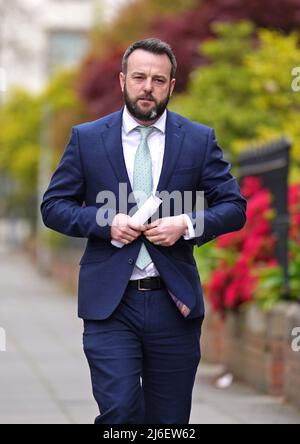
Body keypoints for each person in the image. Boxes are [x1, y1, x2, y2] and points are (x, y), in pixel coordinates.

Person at [41, 38, 247, 424]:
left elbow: (234, 208)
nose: (147, 87)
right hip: (110, 305)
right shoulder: (87, 139)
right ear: (122, 81)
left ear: (171, 85)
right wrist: (106, 223)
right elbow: (53, 207)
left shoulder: (198, 140)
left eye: (158, 79)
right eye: (139, 77)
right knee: (119, 412)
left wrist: (186, 224)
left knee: (168, 423)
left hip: (174, 303)